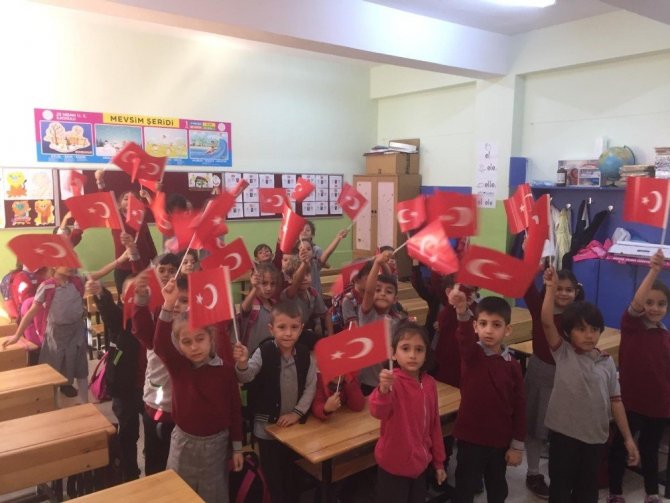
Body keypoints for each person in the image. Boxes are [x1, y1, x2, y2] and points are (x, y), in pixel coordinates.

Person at [541, 267, 639, 503]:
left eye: (594, 330)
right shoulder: (563, 352)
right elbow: (546, 322)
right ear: (568, 332)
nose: (589, 335)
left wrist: (628, 438)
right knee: (560, 490)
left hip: (594, 439)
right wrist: (550, 288)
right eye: (581, 329)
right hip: (563, 436)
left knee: (586, 492)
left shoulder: (606, 362)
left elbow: (616, 402)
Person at [155, 278, 243, 502]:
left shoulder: (225, 371)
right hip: (183, 443)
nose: (194, 347)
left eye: (200, 339)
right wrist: (168, 304)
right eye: (186, 342)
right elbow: (160, 345)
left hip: (216, 446)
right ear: (179, 344)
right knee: (178, 494)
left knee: (213, 495)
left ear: (211, 338)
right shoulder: (178, 366)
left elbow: (235, 411)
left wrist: (237, 448)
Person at [3, 255, 128, 400]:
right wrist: (17, 335)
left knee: (81, 368)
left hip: (76, 332)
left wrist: (120, 260)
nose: (70, 266)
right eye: (65, 263)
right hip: (56, 336)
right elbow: (31, 312)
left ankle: (84, 402)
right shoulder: (47, 286)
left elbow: (100, 272)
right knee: (53, 371)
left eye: (71, 262)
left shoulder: (78, 280)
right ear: (54, 266)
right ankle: (55, 403)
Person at [233, 300, 317, 503]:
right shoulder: (264, 351)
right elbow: (246, 377)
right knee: (273, 477)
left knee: (291, 474)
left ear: (301, 328)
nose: (288, 333)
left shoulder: (304, 354)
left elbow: (311, 386)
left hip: (293, 428)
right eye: (282, 327)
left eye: (294, 327)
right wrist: (242, 363)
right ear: (271, 329)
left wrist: (297, 413)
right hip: (267, 429)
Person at [448, 289, 526, 503]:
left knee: (497, 487)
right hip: (470, 437)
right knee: (465, 487)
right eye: (483, 324)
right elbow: (464, 338)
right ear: (475, 327)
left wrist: (517, 444)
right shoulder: (472, 355)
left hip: (499, 440)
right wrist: (462, 310)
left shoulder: (513, 365)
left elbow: (520, 406)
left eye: (496, 325)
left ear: (507, 330)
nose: (489, 330)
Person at [608, 249, 670, 503]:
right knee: (620, 447)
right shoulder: (631, 326)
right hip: (630, 402)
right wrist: (654, 271)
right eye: (649, 302)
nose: (654, 308)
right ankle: (615, 492)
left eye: (661, 304)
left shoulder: (665, 336)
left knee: (650, 449)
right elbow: (635, 305)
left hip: (658, 405)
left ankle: (651, 493)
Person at [522, 268, 583, 499]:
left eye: (569, 289)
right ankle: (533, 473)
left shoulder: (578, 315)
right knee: (536, 427)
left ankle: (561, 471)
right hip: (542, 374)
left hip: (569, 375)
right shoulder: (540, 307)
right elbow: (526, 285)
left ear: (576, 292)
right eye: (558, 288)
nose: (563, 293)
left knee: (563, 429)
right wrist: (535, 268)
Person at [369, 323, 447, 503]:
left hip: (420, 465)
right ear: (393, 353)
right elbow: (377, 411)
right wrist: (383, 390)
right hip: (393, 467)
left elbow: (434, 426)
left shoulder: (430, 383)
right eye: (405, 348)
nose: (412, 355)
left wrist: (439, 462)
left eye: (419, 349)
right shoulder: (392, 382)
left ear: (426, 354)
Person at [86, 274, 143, 482]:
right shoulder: (121, 318)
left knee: (155, 434)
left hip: (150, 388)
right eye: (130, 291)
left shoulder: (153, 317)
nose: (135, 295)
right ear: (122, 296)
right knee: (128, 433)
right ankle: (130, 474)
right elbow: (110, 313)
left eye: (139, 291)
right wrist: (101, 293)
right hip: (124, 386)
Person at [358, 252, 405, 394]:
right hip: (367, 381)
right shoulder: (368, 314)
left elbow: (390, 279)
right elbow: (369, 291)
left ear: (395, 299)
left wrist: (384, 264)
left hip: (388, 381)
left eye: (388, 292)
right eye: (378, 290)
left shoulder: (397, 320)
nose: (383, 294)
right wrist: (378, 263)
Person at [280, 251, 331, 346]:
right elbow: (297, 282)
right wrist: (304, 263)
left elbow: (326, 314)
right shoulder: (288, 293)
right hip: (287, 335)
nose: (304, 278)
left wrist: (331, 337)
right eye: (301, 275)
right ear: (290, 279)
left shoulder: (312, 293)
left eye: (307, 274)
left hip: (301, 332)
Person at [239, 262, 279, 354]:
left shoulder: (275, 304)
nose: (269, 288)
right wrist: (255, 288)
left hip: (270, 353)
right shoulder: (251, 303)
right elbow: (245, 308)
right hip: (251, 355)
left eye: (273, 284)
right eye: (264, 283)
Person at [299, 220, 348, 293]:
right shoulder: (294, 260)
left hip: (316, 294)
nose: (304, 232)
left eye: (308, 249)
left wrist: (338, 238)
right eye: (301, 249)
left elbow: (327, 253)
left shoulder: (315, 262)